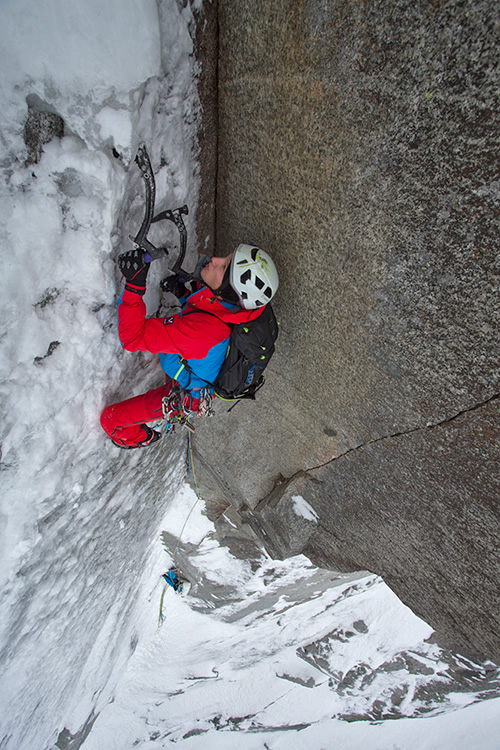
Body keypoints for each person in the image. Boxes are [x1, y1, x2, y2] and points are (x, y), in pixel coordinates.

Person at [100, 244, 279, 448]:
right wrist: (184, 295)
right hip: (199, 365)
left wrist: (134, 284)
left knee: (110, 421)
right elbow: (210, 311)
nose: (216, 259)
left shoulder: (202, 333)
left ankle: (144, 438)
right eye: (226, 258)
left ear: (231, 291)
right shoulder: (240, 308)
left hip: (187, 394)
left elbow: (132, 338)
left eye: (223, 267)